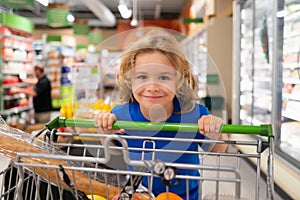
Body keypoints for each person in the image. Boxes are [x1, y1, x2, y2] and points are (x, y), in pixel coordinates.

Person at [94, 29, 228, 199]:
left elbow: (219, 149)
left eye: (164, 78)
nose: (152, 87)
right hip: (139, 196)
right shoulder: (121, 115)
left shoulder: (194, 115)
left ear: (178, 80)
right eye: (142, 77)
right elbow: (114, 151)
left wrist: (215, 131)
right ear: (130, 80)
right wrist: (104, 132)